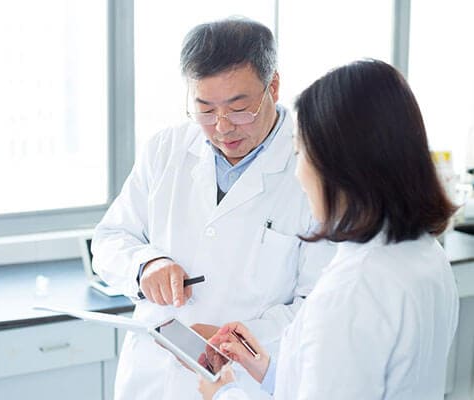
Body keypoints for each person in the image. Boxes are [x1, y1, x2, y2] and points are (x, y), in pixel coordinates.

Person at [91, 18, 335, 400]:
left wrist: (235, 337)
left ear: (273, 86)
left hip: (246, 383)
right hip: (153, 380)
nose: (222, 128)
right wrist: (145, 266)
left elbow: (319, 306)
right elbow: (109, 240)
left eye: (240, 109)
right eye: (205, 110)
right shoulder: (165, 149)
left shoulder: (314, 165)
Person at [198, 59, 459, 400]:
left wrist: (224, 393)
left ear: (340, 164)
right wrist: (266, 368)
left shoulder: (353, 289)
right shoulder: (425, 254)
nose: (298, 172)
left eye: (300, 152)